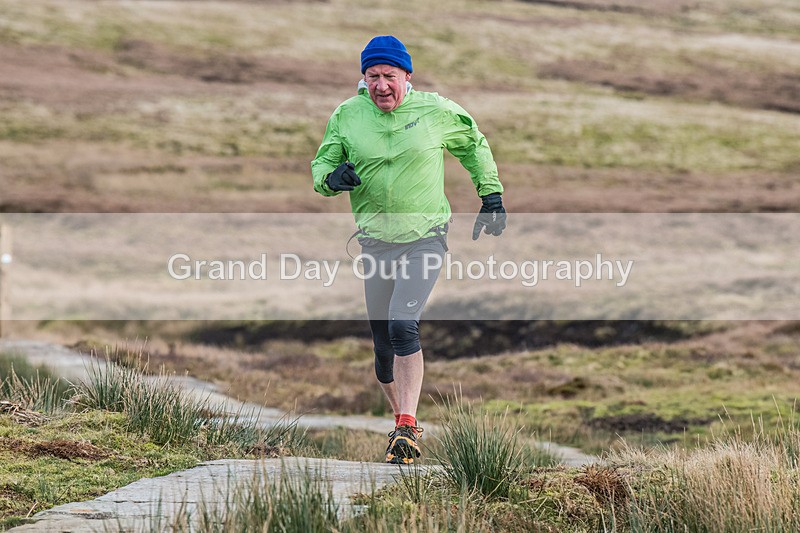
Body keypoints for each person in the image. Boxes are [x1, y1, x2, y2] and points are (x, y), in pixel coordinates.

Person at [311, 35, 506, 464]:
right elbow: (321, 166)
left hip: (425, 237)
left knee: (403, 326)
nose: (381, 85)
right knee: (383, 348)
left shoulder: (435, 110)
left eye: (389, 76)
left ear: (407, 77)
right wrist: (332, 179)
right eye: (373, 76)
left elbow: (474, 145)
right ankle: (403, 423)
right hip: (375, 243)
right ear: (364, 78)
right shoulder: (347, 115)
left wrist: (490, 196)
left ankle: (406, 426)